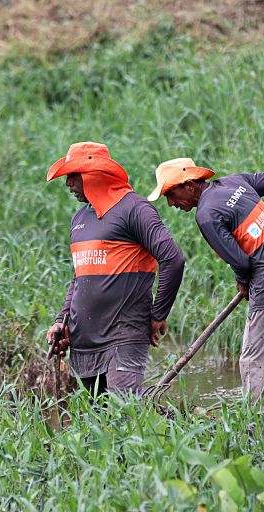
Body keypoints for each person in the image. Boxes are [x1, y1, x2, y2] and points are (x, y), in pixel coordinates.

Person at [148, 158, 264, 441]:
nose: (170, 204)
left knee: (255, 363)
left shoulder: (205, 214)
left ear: (189, 185)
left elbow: (242, 261)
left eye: (170, 195)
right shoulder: (235, 182)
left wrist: (242, 280)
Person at [45, 142, 185, 396]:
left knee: (125, 419)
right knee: (98, 428)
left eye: (73, 176)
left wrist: (158, 314)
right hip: (83, 341)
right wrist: (60, 321)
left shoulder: (134, 209)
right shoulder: (79, 219)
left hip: (124, 336)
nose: (68, 184)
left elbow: (173, 259)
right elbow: (79, 279)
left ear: (93, 175)